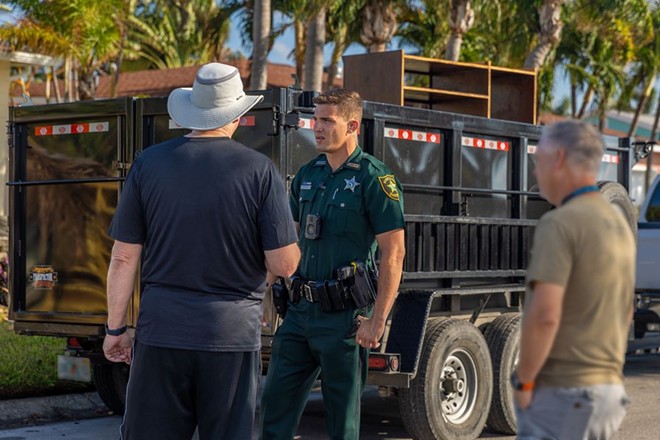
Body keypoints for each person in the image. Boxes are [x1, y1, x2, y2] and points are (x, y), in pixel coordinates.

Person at [102, 62, 300, 440]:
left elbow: (124, 257)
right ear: (238, 115)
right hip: (230, 334)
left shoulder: (148, 163)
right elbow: (283, 263)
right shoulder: (260, 170)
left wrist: (115, 330)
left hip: (161, 331)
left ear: (192, 110)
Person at [259, 88, 406, 440]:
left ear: (352, 124)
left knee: (343, 425)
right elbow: (287, 242)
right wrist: (266, 288)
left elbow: (394, 254)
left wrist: (378, 319)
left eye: (327, 120)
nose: (317, 127)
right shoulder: (309, 174)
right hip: (297, 315)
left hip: (344, 321)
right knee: (273, 410)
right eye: (315, 119)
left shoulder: (374, 179)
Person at [512, 120, 635, 440]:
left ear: (560, 159)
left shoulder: (560, 223)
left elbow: (545, 315)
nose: (536, 172)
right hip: (606, 393)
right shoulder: (619, 223)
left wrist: (525, 382)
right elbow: (626, 312)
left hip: (563, 394)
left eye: (539, 161)